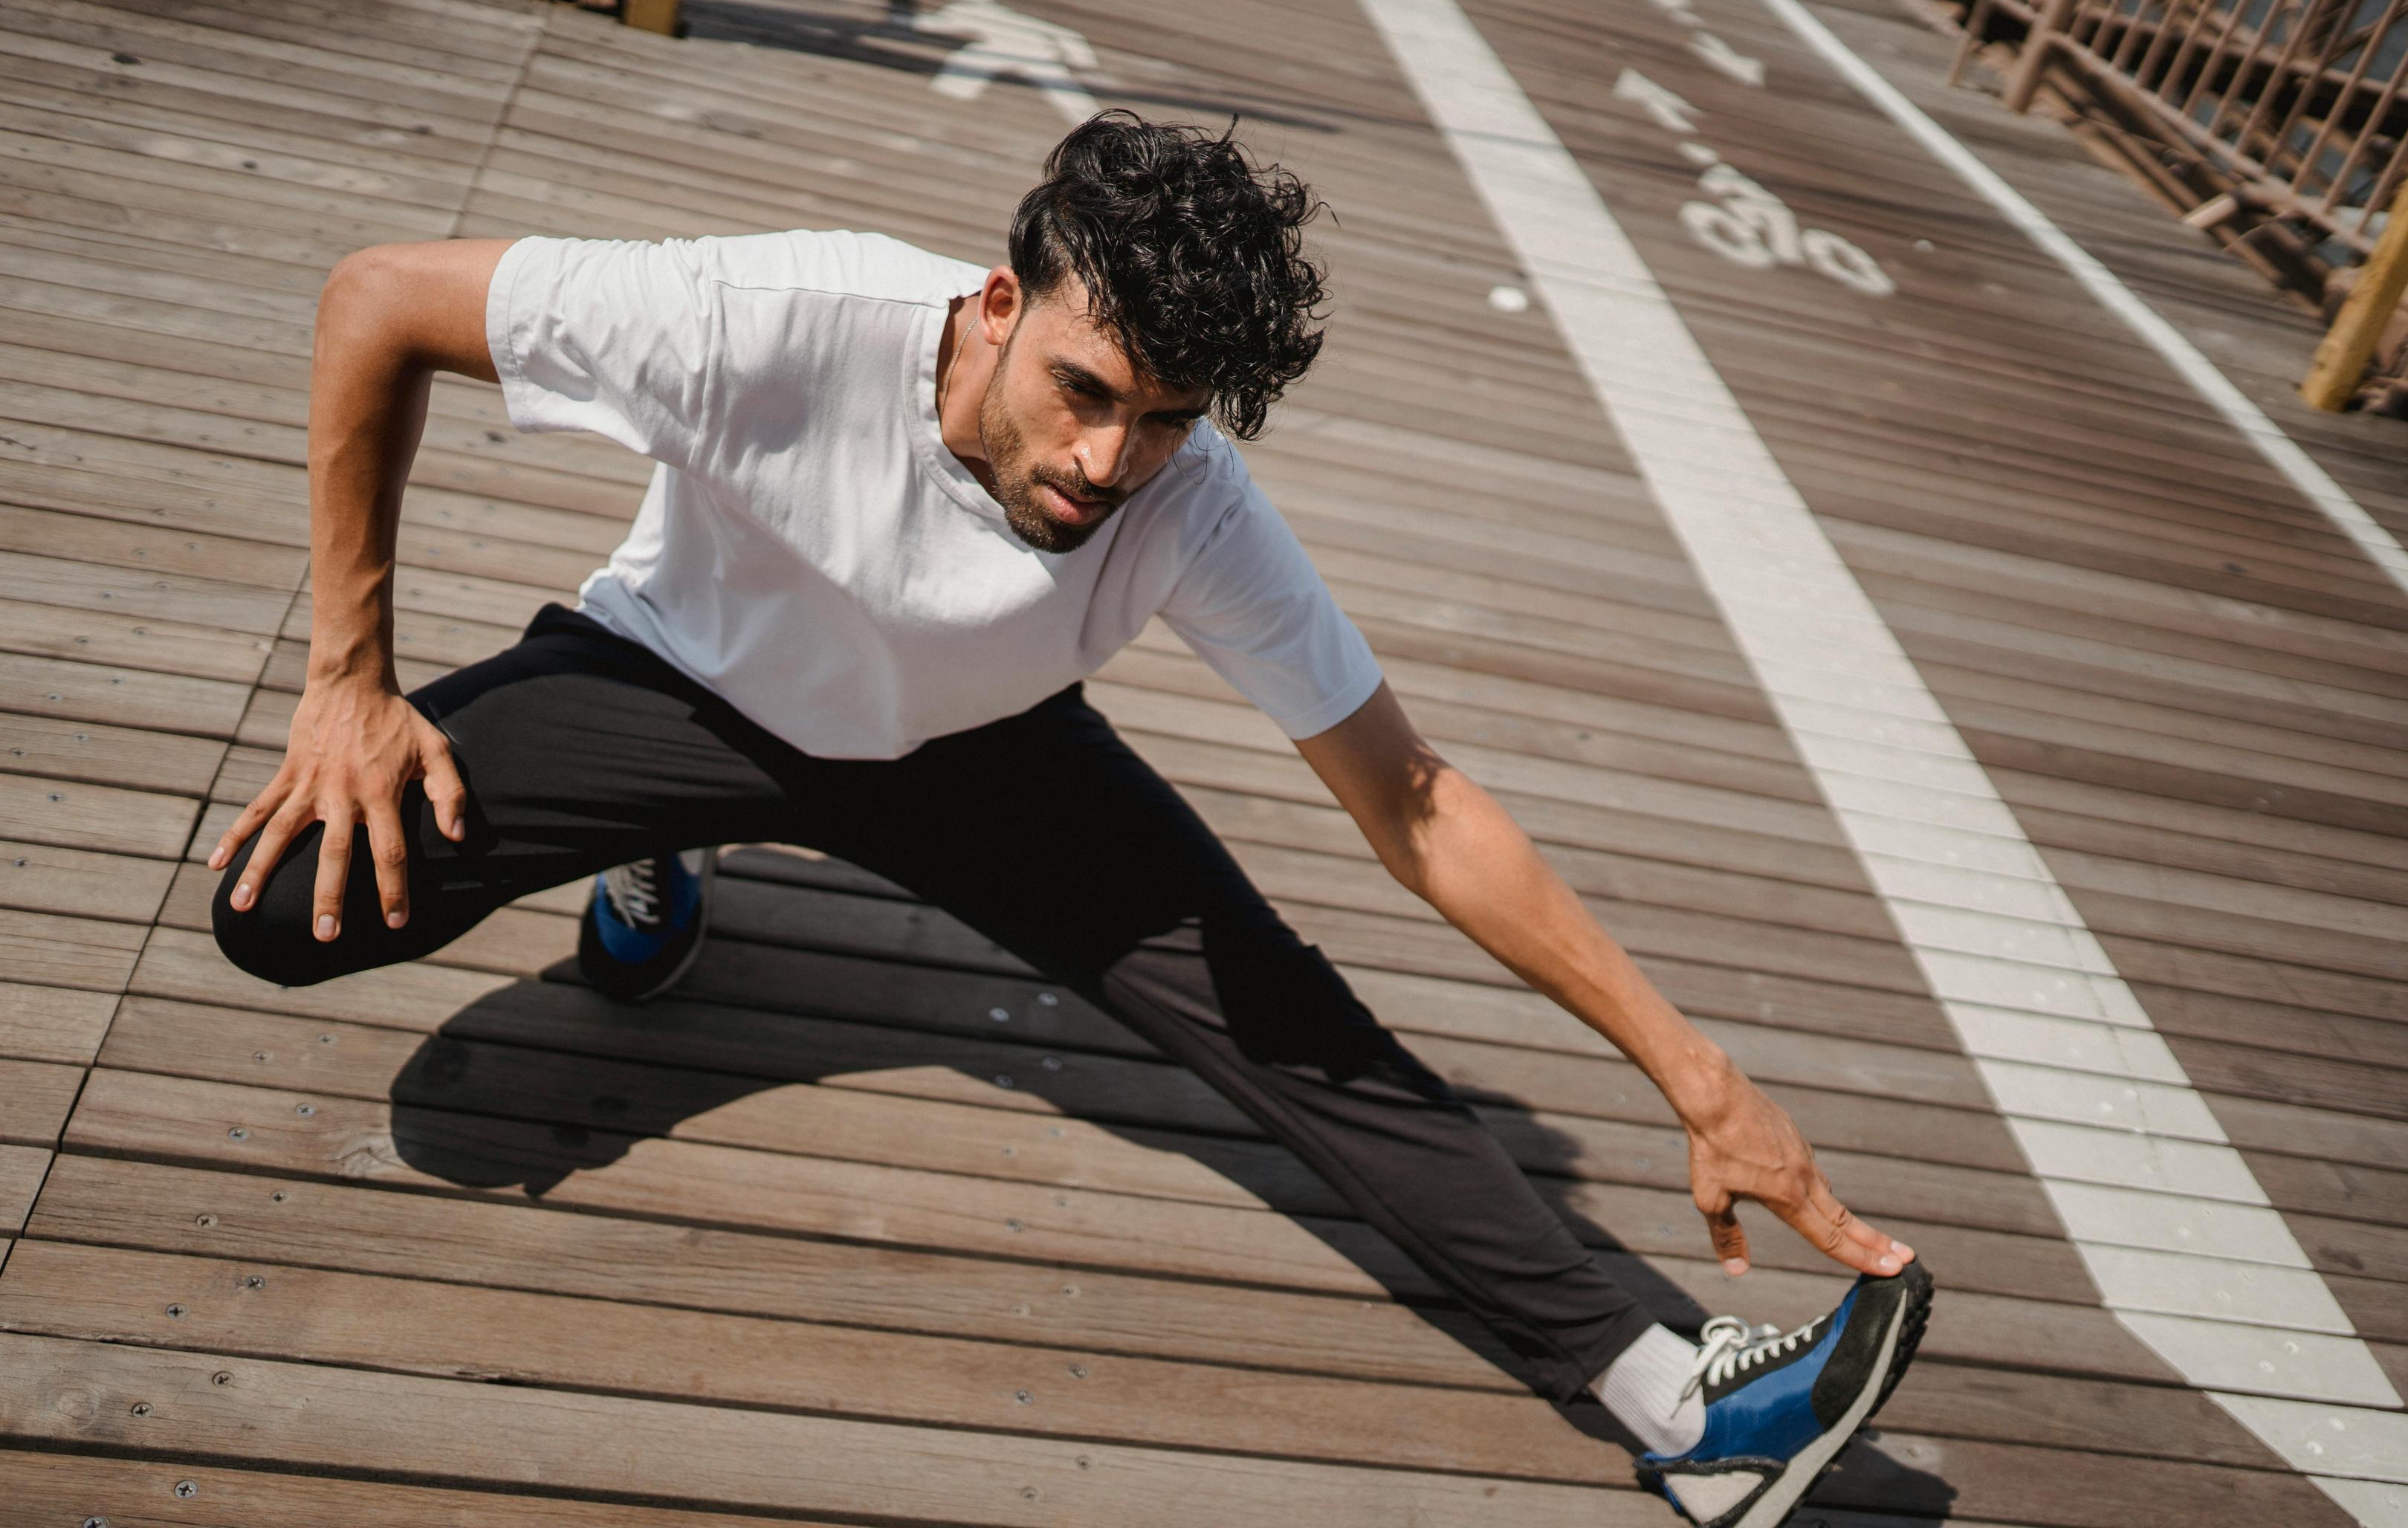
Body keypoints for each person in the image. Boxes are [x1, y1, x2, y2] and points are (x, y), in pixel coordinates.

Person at [207, 110, 1929, 1528]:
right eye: (1088, 391)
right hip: (680, 680)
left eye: (1164, 424)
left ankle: (1683, 1408)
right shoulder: (773, 319)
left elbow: (1416, 801)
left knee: (1303, 1027)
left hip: (982, 750)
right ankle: (650, 846)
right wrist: (350, 677)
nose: (1108, 466)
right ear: (995, 306)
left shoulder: (1189, 504)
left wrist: (1697, 1076)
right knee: (281, 912)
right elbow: (376, 302)